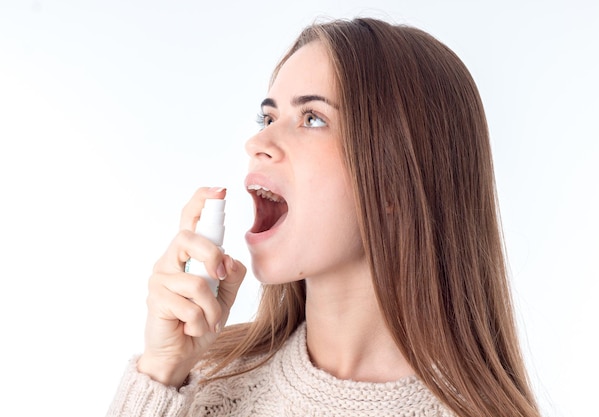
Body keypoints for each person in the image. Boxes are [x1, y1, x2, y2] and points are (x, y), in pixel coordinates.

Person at [107, 17, 542, 417]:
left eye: (312, 118)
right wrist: (161, 372)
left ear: (395, 179)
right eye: (268, 116)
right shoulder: (203, 379)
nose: (258, 140)